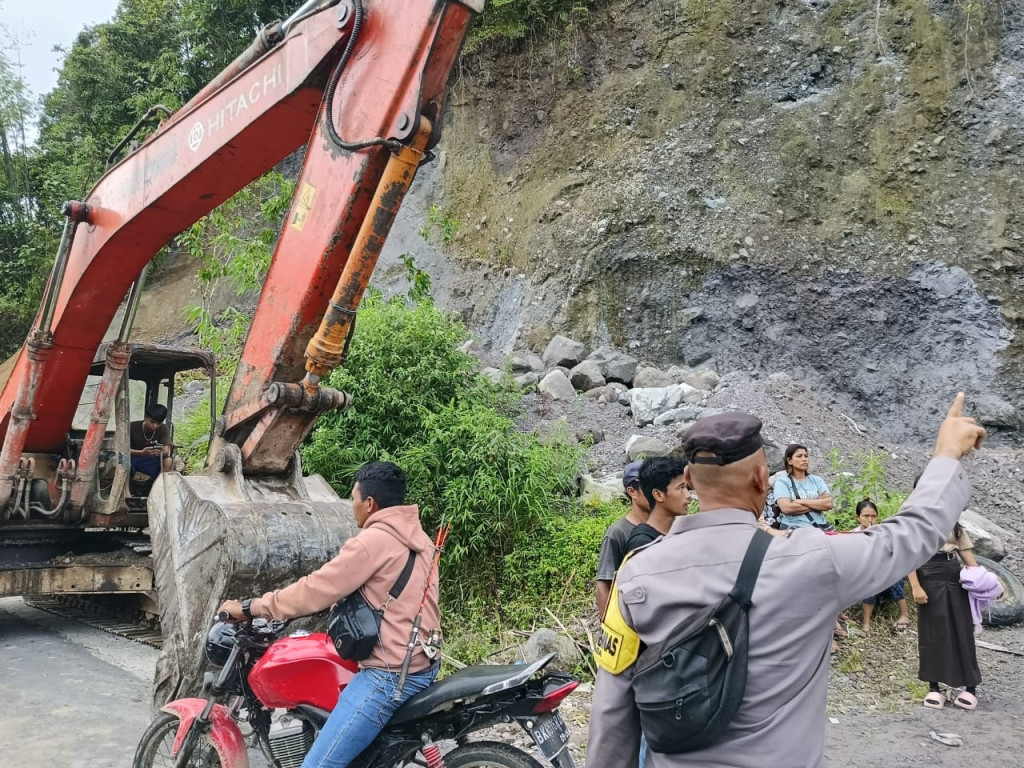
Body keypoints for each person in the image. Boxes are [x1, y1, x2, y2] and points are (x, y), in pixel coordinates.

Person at [586, 393, 984, 767]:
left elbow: (611, 712)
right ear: (763, 479)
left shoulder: (636, 571)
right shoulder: (814, 560)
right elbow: (911, 534)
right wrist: (946, 455)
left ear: (688, 477)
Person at [218, 461, 441, 768]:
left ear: (370, 503)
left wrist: (251, 607)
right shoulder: (420, 539)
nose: (353, 507)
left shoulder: (373, 542)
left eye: (354, 499)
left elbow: (315, 589)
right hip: (422, 662)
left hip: (389, 677)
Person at [909, 518, 982, 710]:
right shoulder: (918, 521)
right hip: (927, 574)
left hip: (954, 574)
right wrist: (915, 587)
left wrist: (982, 580)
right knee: (932, 631)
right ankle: (933, 686)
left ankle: (971, 688)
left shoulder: (953, 521)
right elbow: (910, 558)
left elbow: (966, 553)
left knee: (962, 628)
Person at [596, 461, 650, 616]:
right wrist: (608, 625)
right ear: (632, 491)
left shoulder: (665, 525)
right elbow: (604, 584)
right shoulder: (618, 533)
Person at [852, 500, 911, 634]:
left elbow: (893, 556)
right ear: (858, 517)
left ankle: (904, 615)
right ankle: (866, 622)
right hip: (866, 574)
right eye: (866, 516)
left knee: (893, 576)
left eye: (873, 516)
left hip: (886, 571)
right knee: (870, 579)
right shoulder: (853, 535)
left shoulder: (885, 532)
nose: (870, 519)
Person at [623, 457, 688, 553]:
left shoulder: (680, 532)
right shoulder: (642, 543)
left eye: (687, 488)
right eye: (680, 488)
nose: (688, 495)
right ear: (658, 495)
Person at [773, 443, 834, 530]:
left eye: (806, 456)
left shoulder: (816, 480)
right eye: (799, 456)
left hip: (819, 526)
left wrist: (799, 501)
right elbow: (786, 508)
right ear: (790, 461)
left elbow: (829, 504)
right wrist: (818, 503)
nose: (804, 459)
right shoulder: (782, 482)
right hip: (794, 527)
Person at [129, 403, 172, 493]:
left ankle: (158, 490)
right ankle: (127, 492)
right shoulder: (132, 427)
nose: (155, 426)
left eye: (158, 423)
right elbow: (122, 449)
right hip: (134, 458)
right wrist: (141, 452)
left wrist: (159, 452)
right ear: (145, 417)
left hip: (152, 459)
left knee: (168, 461)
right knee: (123, 460)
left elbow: (166, 450)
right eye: (152, 422)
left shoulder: (163, 429)